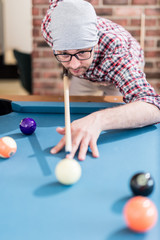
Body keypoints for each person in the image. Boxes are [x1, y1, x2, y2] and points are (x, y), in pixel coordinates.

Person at [41, 0, 160, 161]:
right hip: (88, 74)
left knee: (119, 111)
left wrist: (98, 120)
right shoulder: (50, 28)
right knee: (77, 104)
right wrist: (73, 56)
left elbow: (153, 107)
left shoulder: (117, 53)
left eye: (82, 52)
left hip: (116, 73)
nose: (74, 65)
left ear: (95, 44)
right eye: (64, 53)